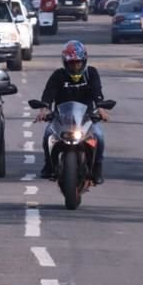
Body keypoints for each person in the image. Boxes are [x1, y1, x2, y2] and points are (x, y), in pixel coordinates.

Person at [36, 40, 109, 184]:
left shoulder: (91, 73)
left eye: (78, 62)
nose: (75, 66)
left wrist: (101, 109)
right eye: (71, 63)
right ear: (65, 62)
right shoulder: (58, 75)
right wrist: (44, 109)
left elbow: (97, 92)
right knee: (47, 136)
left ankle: (97, 168)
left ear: (84, 61)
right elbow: (48, 94)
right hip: (62, 118)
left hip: (86, 118)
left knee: (99, 137)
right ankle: (49, 165)